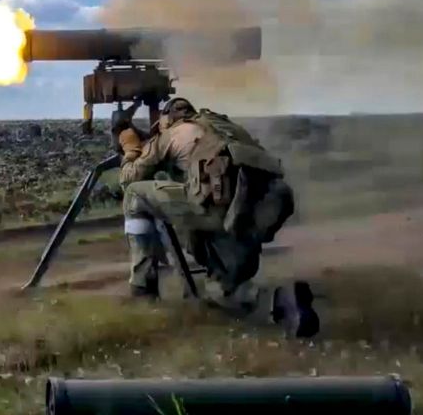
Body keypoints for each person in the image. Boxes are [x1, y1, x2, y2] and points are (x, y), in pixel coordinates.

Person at [113, 97, 319, 339]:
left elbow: (129, 178)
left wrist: (131, 149)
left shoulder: (172, 134)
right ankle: (283, 300)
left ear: (168, 118)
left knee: (134, 195)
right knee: (222, 292)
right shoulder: (225, 128)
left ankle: (142, 290)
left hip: (217, 209)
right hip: (247, 216)